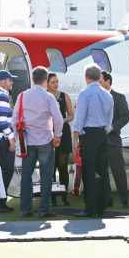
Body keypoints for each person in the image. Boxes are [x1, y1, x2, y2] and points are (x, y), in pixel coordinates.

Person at [13, 66, 64, 218]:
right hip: (45, 140)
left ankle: (25, 208)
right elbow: (58, 119)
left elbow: (14, 120)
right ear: (46, 80)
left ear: (33, 78)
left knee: (26, 175)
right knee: (47, 175)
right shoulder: (49, 97)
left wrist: (18, 138)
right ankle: (44, 209)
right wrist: (57, 135)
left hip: (27, 141)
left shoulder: (22, 96)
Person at [72, 64, 114, 218]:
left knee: (88, 172)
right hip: (102, 134)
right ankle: (102, 206)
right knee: (102, 171)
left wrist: (76, 134)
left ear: (86, 77)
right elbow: (110, 119)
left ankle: (90, 208)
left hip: (88, 134)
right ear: (99, 77)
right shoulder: (107, 94)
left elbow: (80, 116)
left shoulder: (85, 93)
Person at [100, 71, 129, 208]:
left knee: (118, 171)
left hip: (113, 140)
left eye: (100, 81)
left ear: (107, 81)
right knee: (102, 172)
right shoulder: (96, 97)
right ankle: (106, 200)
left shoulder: (119, 97)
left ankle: (124, 199)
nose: (98, 83)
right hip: (98, 141)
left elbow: (125, 117)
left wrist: (113, 127)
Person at [0, 70, 16, 213]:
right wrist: (11, 139)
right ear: (3, 81)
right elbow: (2, 122)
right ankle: (0, 202)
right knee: (6, 171)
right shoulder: (1, 96)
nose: (11, 82)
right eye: (10, 80)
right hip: (2, 140)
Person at [47, 72, 73, 206]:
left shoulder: (64, 96)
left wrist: (61, 120)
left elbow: (71, 115)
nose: (56, 84)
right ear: (46, 83)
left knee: (63, 166)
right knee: (50, 167)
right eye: (53, 82)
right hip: (48, 134)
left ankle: (64, 196)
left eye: (57, 82)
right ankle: (52, 197)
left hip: (63, 133)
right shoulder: (44, 96)